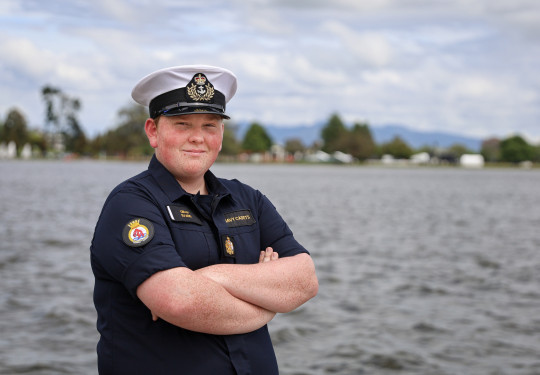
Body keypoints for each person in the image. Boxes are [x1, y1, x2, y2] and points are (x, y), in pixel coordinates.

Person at [90, 65, 318, 375]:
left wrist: (213, 278)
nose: (198, 137)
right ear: (153, 131)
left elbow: (304, 280)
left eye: (210, 125)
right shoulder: (131, 204)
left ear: (221, 134)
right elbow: (180, 301)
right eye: (183, 123)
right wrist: (269, 303)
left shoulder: (248, 199)